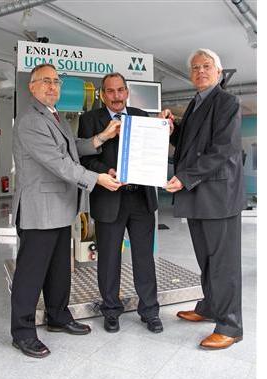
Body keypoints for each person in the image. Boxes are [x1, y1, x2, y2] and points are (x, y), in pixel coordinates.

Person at [11, 63, 122, 358]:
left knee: (59, 269)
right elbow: (58, 163)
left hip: (59, 208)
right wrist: (95, 178)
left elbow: (70, 147)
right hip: (39, 209)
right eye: (45, 81)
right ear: (31, 87)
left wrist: (101, 138)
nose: (52, 87)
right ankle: (22, 332)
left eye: (56, 82)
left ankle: (57, 316)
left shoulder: (53, 116)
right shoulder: (30, 120)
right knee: (31, 274)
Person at [163, 49, 245, 350]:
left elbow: (222, 149)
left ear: (219, 71)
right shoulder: (197, 102)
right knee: (207, 260)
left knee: (224, 264)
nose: (200, 71)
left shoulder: (227, 102)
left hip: (218, 196)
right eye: (195, 67)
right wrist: (172, 130)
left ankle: (230, 325)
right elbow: (190, 143)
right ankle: (210, 306)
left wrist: (185, 177)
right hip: (200, 196)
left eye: (206, 66)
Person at [77, 72, 163, 334]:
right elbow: (85, 160)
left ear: (127, 92)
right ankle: (111, 311)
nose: (116, 96)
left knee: (144, 258)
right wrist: (106, 172)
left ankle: (150, 311)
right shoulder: (90, 120)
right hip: (109, 198)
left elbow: (152, 151)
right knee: (109, 260)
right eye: (110, 91)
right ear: (103, 94)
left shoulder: (141, 116)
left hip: (141, 199)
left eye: (120, 90)